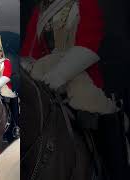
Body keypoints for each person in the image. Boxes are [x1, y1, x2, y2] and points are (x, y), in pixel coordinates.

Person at [20, 0, 129, 179]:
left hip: (78, 72)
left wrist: (59, 75)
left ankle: (116, 171)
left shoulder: (85, 3)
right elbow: (30, 51)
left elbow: (89, 42)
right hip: (44, 73)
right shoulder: (41, 9)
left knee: (103, 117)